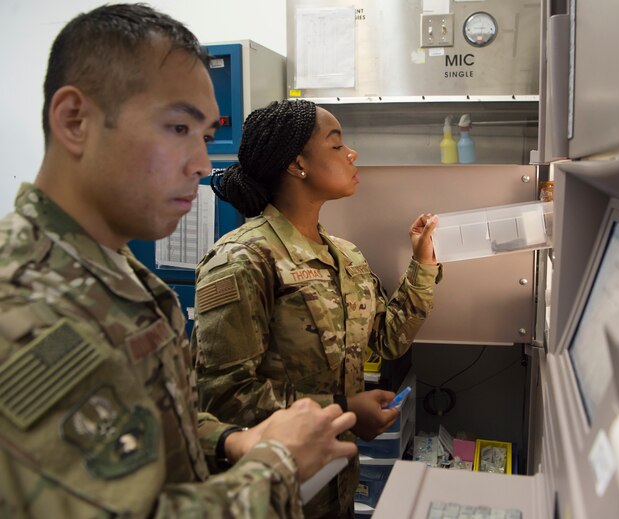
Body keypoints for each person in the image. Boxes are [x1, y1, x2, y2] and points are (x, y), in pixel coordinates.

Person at [0, 5, 357, 518]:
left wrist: (234, 441)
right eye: (177, 128)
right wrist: (280, 464)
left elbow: (157, 428)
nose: (203, 165)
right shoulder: (25, 308)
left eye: (206, 136)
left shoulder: (119, 276)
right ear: (75, 121)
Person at [193, 99, 442, 518]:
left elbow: (389, 339)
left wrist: (423, 263)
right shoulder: (243, 259)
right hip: (271, 496)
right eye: (336, 144)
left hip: (337, 487)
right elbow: (224, 398)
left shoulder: (344, 255)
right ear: (296, 165)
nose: (352, 153)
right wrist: (344, 409)